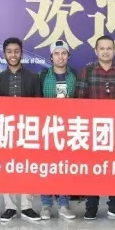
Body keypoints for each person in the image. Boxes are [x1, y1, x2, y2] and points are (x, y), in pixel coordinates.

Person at [76, 35, 115, 220]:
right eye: (102, 48)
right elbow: (79, 102)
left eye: (109, 48)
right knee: (92, 169)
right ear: (96, 51)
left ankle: (114, 206)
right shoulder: (87, 71)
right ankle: (91, 207)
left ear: (114, 51)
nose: (105, 51)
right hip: (93, 130)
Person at [0, 37, 42, 223]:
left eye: (16, 51)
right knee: (8, 168)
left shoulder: (33, 77)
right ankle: (10, 208)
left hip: (28, 130)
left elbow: (39, 105)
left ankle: (27, 207)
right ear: (4, 54)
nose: (13, 55)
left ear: (22, 53)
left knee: (28, 168)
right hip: (6, 130)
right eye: (9, 51)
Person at [38, 40, 78, 220]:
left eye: (63, 53)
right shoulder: (42, 75)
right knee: (46, 166)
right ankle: (46, 204)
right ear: (51, 57)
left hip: (69, 128)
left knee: (65, 166)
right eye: (56, 53)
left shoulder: (75, 75)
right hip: (47, 128)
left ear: (68, 56)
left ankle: (64, 204)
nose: (60, 57)